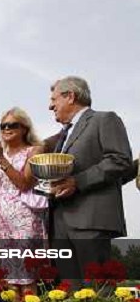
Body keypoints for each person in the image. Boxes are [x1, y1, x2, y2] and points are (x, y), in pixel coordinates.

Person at [47, 76, 133, 284]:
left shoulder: (104, 120)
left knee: (97, 294)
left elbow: (120, 160)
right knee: (69, 296)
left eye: (54, 99)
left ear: (70, 96)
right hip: (60, 224)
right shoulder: (61, 136)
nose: (51, 106)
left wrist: (77, 182)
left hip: (91, 221)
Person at [0, 108, 47, 295]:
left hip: (26, 221)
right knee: (9, 283)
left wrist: (2, 159)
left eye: (12, 125)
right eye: (3, 125)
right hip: (3, 223)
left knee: (27, 281)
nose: (6, 128)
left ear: (24, 128)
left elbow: (24, 183)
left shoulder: (34, 150)